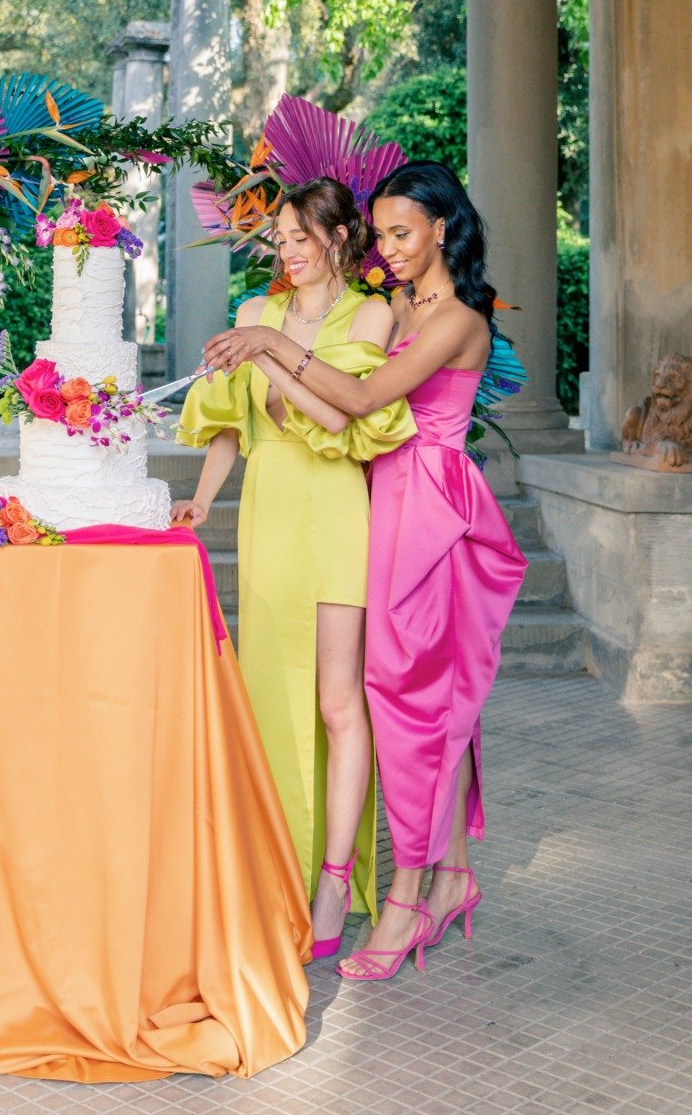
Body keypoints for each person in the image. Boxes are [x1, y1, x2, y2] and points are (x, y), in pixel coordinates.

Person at [203, 161, 528, 982]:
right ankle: (449, 873)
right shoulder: (400, 305)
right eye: (380, 233)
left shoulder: (452, 316)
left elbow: (364, 397)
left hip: (431, 505)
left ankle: (409, 897)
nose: (387, 249)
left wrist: (274, 343)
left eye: (402, 232)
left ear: (443, 228)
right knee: (417, 692)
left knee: (411, 697)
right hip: (382, 494)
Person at [173, 178, 415, 959]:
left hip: (338, 512)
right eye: (278, 239)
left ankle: (336, 876)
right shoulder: (254, 315)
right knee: (271, 694)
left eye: (299, 239)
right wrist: (202, 501)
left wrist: (271, 351)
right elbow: (229, 426)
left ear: (341, 238)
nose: (285, 252)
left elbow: (336, 413)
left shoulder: (371, 314)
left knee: (339, 702)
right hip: (268, 511)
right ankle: (270, 862)